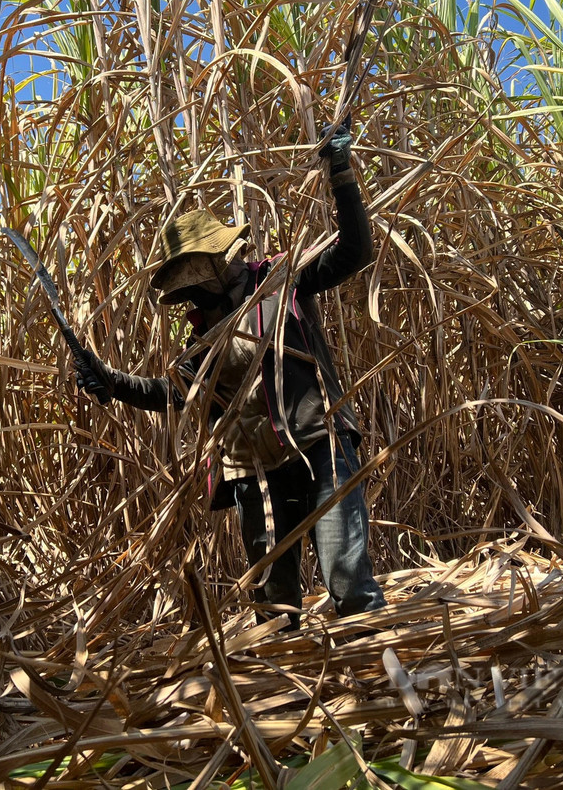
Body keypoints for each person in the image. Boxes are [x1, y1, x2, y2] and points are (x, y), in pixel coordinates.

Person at [75, 125, 384, 631]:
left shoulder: (282, 280)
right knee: (275, 609)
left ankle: (383, 691)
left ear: (218, 261)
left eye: (194, 273)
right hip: (254, 474)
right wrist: (111, 382)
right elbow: (174, 393)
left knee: (347, 581)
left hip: (319, 443)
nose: (190, 291)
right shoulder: (202, 340)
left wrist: (341, 174)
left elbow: (354, 251)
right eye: (184, 281)